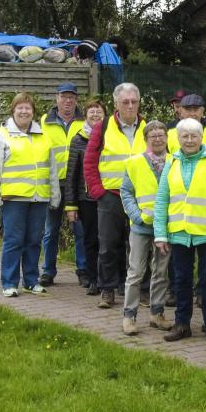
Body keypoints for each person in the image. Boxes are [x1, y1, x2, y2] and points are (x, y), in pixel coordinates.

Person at [153, 118, 206, 342]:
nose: (189, 140)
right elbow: (162, 200)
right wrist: (160, 233)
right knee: (181, 280)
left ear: (201, 138)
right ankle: (182, 323)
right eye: (184, 136)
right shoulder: (171, 162)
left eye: (193, 136)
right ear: (178, 139)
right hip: (178, 233)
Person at [0, 92, 60, 296]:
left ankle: (30, 281)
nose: (24, 111)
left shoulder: (44, 137)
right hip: (14, 199)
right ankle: (9, 283)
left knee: (34, 240)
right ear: (13, 110)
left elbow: (52, 170)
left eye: (27, 108)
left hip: (39, 198)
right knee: (14, 241)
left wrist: (55, 195)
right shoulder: (1, 135)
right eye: (20, 107)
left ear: (33, 112)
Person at [84, 82, 146, 309]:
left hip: (141, 198)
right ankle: (107, 289)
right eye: (125, 102)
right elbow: (89, 162)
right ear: (116, 104)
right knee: (108, 245)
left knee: (139, 245)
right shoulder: (102, 128)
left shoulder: (147, 127)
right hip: (110, 196)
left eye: (134, 101)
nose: (130, 106)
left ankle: (141, 290)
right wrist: (98, 191)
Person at [119, 121, 173, 335]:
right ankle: (129, 316)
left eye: (161, 135)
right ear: (146, 140)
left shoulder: (174, 162)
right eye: (153, 136)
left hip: (165, 228)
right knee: (136, 272)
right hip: (141, 226)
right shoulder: (134, 163)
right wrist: (136, 216)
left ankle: (157, 313)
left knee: (161, 271)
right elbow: (126, 192)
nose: (158, 139)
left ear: (167, 138)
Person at [39, 81, 85, 288]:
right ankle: (48, 271)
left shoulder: (85, 122)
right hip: (54, 183)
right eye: (64, 96)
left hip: (77, 183)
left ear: (76, 100)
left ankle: (83, 271)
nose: (68, 100)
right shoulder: (43, 121)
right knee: (51, 230)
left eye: (72, 97)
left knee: (80, 229)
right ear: (56, 98)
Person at [64, 99, 106, 296]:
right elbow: (71, 174)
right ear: (86, 116)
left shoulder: (111, 137)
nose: (96, 116)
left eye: (99, 112)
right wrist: (71, 205)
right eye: (92, 112)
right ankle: (93, 279)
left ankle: (111, 279)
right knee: (90, 240)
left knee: (112, 241)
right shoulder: (78, 139)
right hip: (86, 198)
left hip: (109, 196)